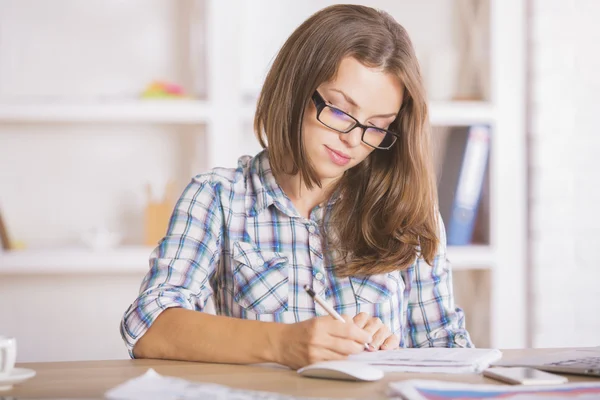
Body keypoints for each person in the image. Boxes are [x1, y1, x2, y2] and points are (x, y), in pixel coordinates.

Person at [121, 4, 472, 370]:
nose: (353, 140)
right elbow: (149, 326)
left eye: (377, 125)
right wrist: (285, 343)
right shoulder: (219, 197)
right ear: (294, 89)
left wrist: (394, 352)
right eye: (338, 110)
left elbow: (447, 346)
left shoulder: (407, 208)